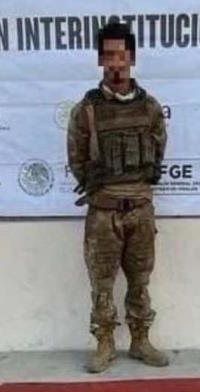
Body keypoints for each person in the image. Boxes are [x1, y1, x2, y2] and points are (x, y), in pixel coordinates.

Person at [67, 22, 170, 373]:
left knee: (140, 281)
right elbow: (77, 158)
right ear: (101, 60)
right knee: (102, 285)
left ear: (132, 58)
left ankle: (140, 341)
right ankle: (105, 344)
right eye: (108, 55)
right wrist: (103, 191)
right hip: (104, 213)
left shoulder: (150, 107)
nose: (115, 62)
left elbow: (158, 151)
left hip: (140, 210)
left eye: (121, 55)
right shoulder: (86, 110)